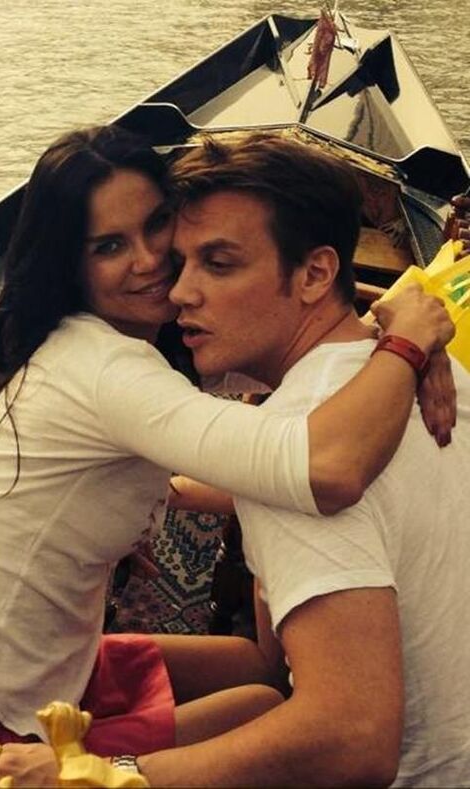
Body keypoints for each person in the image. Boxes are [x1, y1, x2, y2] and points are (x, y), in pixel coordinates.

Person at [0, 126, 454, 786]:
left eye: (157, 227)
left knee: (257, 687)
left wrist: (387, 315)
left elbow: (300, 333)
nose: (153, 264)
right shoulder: (104, 369)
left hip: (45, 661)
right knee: (260, 698)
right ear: (71, 264)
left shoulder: (133, 346)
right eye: (110, 246)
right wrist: (407, 343)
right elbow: (329, 467)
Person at [88, 133, 468, 787]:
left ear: (315, 274)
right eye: (180, 263)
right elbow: (273, 662)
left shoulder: (297, 452)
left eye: (219, 263)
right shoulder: (436, 373)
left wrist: (111, 774)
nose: (180, 293)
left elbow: (351, 736)